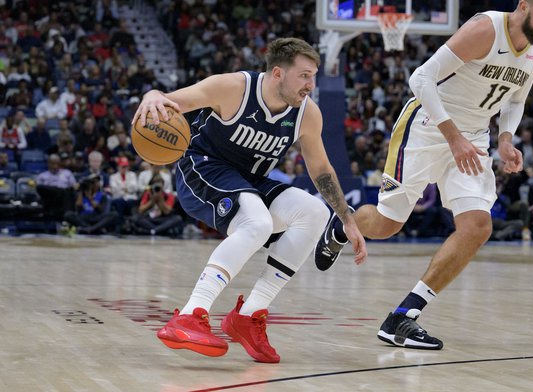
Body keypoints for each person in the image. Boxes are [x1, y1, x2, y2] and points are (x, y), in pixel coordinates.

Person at [315, 0, 533, 349]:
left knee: (478, 225)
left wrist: (506, 139)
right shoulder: (485, 29)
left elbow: (515, 99)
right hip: (429, 125)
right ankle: (341, 223)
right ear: (524, 7)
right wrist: (452, 135)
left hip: (474, 136)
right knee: (386, 224)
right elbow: (421, 78)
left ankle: (404, 316)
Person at [134, 38, 365, 363]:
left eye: (313, 76)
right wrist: (150, 95)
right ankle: (190, 314)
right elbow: (167, 101)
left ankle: (249, 315)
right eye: (304, 76)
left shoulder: (307, 114)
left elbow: (321, 170)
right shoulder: (232, 88)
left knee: (313, 212)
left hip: (248, 181)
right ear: (277, 74)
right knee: (257, 221)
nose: (311, 84)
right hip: (201, 169)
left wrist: (346, 219)